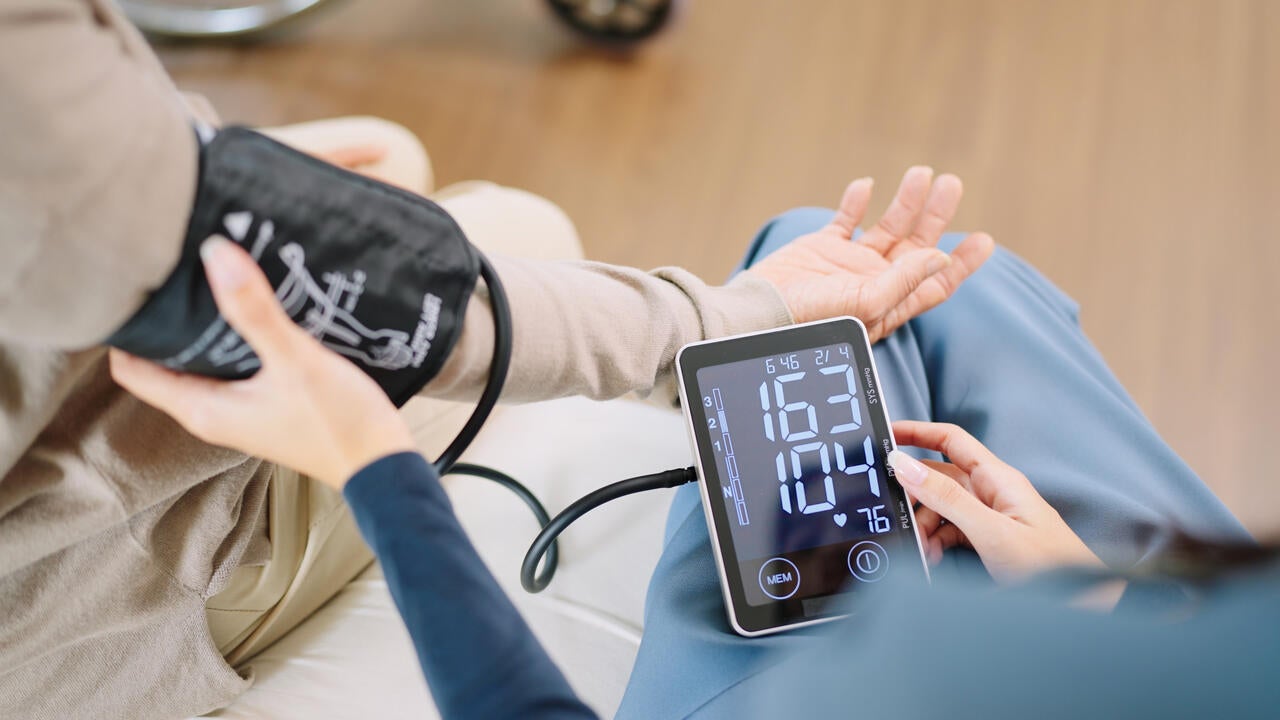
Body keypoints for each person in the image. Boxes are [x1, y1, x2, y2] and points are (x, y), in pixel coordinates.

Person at [1, 3, 995, 718]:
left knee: (383, 154)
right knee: (526, 226)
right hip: (92, 596)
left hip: (83, 399)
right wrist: (730, 314)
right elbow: (444, 323)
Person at [109, 175, 1271, 718]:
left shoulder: (927, 656)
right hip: (1164, 642)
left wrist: (376, 464)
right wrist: (1099, 606)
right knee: (850, 270)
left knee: (797, 333)